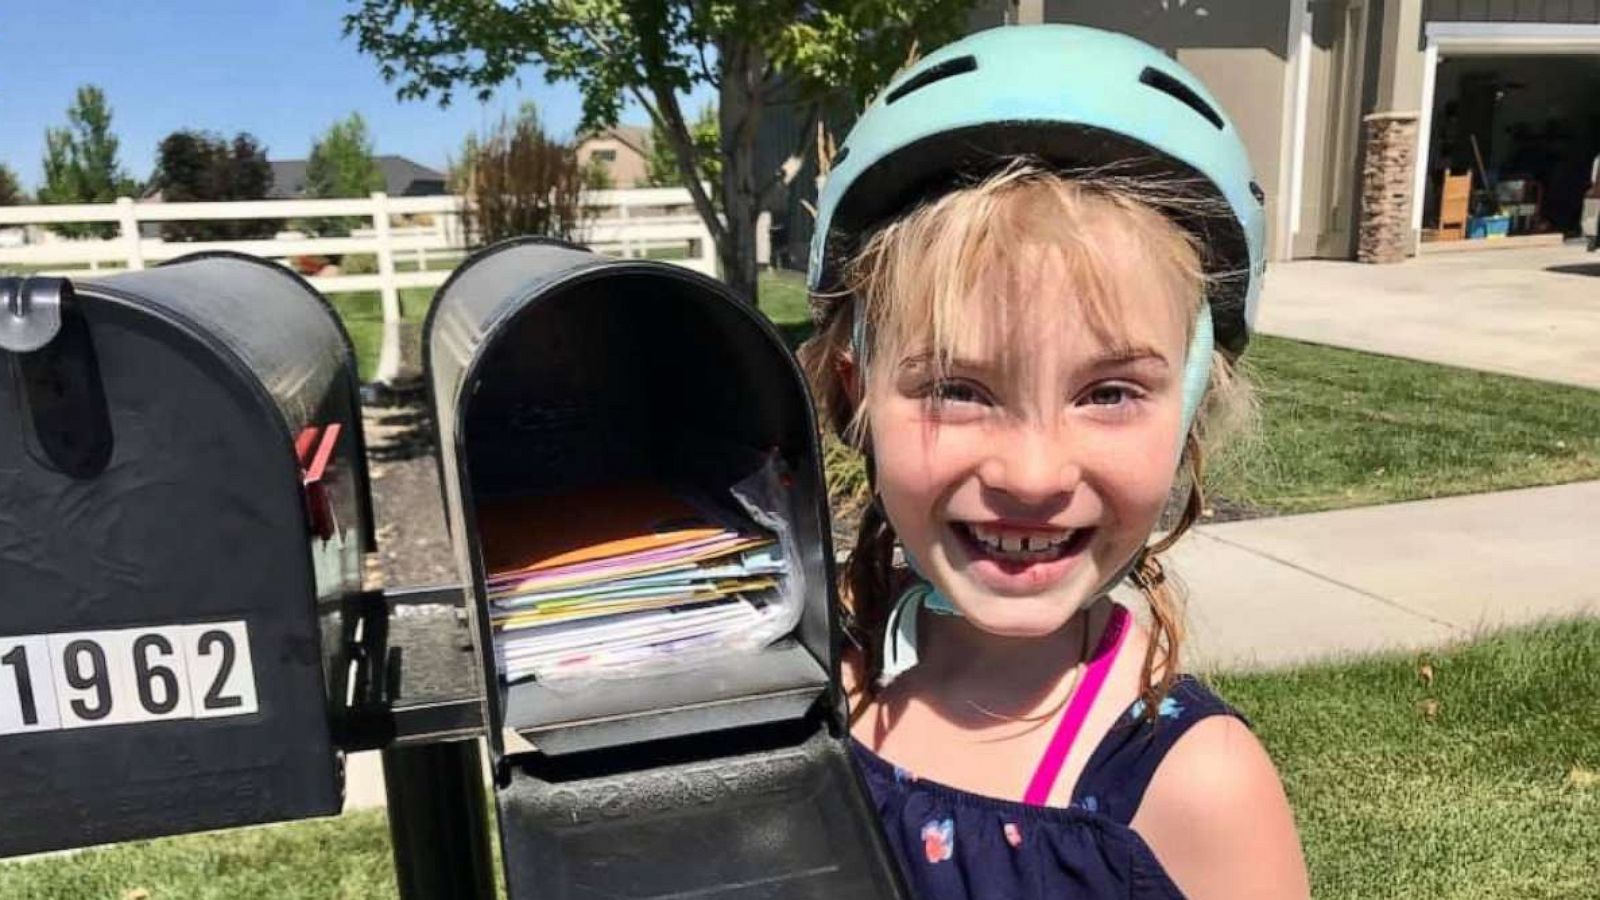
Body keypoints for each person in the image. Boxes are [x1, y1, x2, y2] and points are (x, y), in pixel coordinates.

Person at [799, 25, 1310, 900]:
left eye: (1108, 392)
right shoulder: (813, 698)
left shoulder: (1197, 787)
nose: (1033, 474)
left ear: (1190, 413)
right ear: (857, 394)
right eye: (958, 387)